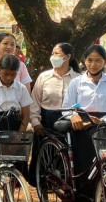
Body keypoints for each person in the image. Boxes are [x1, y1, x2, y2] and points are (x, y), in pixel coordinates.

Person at [62, 45, 106, 202]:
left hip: (102, 129)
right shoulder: (76, 83)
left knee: (99, 170)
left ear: (104, 62)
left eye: (98, 60)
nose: (94, 64)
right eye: (90, 60)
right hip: (81, 128)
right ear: (84, 61)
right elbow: (67, 106)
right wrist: (73, 116)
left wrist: (103, 121)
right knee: (81, 168)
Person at [28, 42, 80, 183]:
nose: (52, 56)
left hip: (69, 122)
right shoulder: (44, 77)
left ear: (67, 57)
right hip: (46, 121)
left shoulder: (77, 79)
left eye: (56, 53)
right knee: (44, 157)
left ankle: (66, 193)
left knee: (67, 159)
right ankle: (43, 192)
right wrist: (35, 122)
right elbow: (35, 102)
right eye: (52, 53)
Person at [0, 54, 33, 175]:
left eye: (13, 75)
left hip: (15, 126)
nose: (9, 78)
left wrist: (18, 138)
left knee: (15, 164)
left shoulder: (21, 89)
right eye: (5, 74)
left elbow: (26, 115)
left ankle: (11, 192)